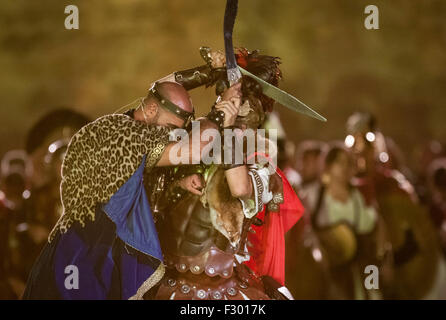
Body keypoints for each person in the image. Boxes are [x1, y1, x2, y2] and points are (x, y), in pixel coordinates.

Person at [23, 72, 243, 299]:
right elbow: (194, 150)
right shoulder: (125, 134)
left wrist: (211, 72)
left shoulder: (122, 128)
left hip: (93, 252)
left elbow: (165, 86)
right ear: (150, 111)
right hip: (82, 257)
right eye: (169, 127)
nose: (170, 136)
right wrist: (220, 113)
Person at [143, 48, 303, 300]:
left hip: (221, 287)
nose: (239, 111)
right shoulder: (192, 141)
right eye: (233, 102)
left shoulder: (261, 160)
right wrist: (207, 73)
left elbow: (239, 188)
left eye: (248, 108)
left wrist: (227, 128)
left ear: (260, 117)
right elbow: (156, 96)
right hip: (164, 276)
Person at [345, 111, 442, 299]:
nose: (361, 151)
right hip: (358, 262)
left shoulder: (394, 184)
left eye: (366, 144)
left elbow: (414, 229)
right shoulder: (347, 186)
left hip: (393, 264)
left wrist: (390, 260)